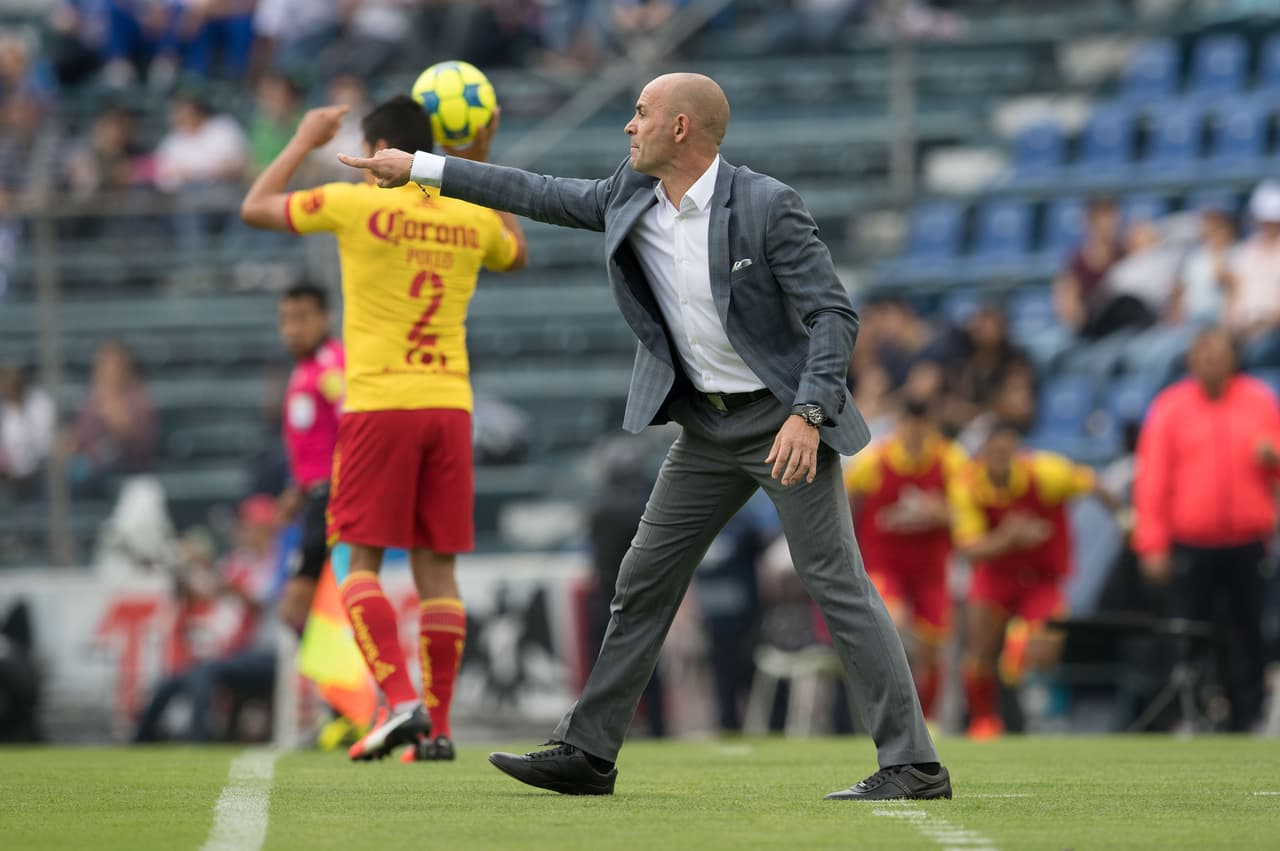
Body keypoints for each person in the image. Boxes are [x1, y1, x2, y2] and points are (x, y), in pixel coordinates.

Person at [339, 72, 948, 800]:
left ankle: (914, 763)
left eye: (641, 113)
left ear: (681, 128)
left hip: (782, 423)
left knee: (835, 582)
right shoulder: (628, 194)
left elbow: (833, 317)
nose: (629, 126)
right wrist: (421, 167)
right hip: (704, 426)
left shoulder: (766, 204)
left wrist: (808, 413)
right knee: (640, 580)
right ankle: (588, 750)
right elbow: (532, 190)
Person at [241, 94, 527, 763]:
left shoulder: (356, 202)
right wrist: (477, 168)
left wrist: (305, 139)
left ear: (375, 150)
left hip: (379, 404)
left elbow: (255, 205)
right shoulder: (467, 212)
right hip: (452, 406)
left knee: (354, 557)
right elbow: (517, 252)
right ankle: (441, 726)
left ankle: (400, 698)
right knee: (438, 570)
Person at [1132, 328, 1280, 731]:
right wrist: (1152, 542)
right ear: (1192, 359)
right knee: (1185, 631)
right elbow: (1152, 481)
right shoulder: (1171, 407)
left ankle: (1247, 716)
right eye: (1203, 354)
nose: (1211, 361)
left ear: (1232, 358)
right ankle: (1182, 714)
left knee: (1249, 631)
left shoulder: (1260, 401)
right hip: (1191, 542)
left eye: (1218, 353)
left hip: (1247, 541)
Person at [951, 421, 1112, 739]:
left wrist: (1124, 518)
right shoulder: (967, 483)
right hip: (996, 574)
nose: (1001, 459)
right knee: (978, 646)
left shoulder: (1047, 472)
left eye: (1007, 451)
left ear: (1017, 451)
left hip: (1042, 577)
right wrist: (1010, 538)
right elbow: (970, 550)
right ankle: (983, 721)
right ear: (984, 453)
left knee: (1040, 647)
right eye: (994, 452)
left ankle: (1038, 712)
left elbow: (1094, 484)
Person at [843, 396, 967, 720]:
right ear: (901, 425)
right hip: (887, 566)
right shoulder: (874, 461)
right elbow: (841, 499)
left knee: (933, 648)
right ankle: (887, 714)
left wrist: (940, 512)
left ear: (931, 427)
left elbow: (969, 512)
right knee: (891, 626)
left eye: (923, 426)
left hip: (931, 570)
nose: (915, 433)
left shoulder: (950, 459)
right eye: (910, 425)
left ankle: (928, 721)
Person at [274, 283, 344, 634]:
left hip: (334, 500)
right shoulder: (306, 370)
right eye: (286, 319)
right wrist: (298, 489)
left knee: (296, 608)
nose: (293, 329)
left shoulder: (332, 368)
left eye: (302, 318)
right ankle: (346, 685)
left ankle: (351, 684)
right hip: (316, 498)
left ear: (324, 318)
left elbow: (353, 428)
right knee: (319, 609)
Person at [1225, 181, 1280, 368]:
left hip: (1272, 330)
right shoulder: (1244, 252)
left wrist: (1264, 324)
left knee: (1254, 354)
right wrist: (1234, 328)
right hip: (1244, 329)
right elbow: (1233, 296)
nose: (1267, 225)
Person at [0, 365, 55, 500]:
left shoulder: (41, 403)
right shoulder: (4, 409)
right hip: (9, 475)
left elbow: (46, 443)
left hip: (39, 470)